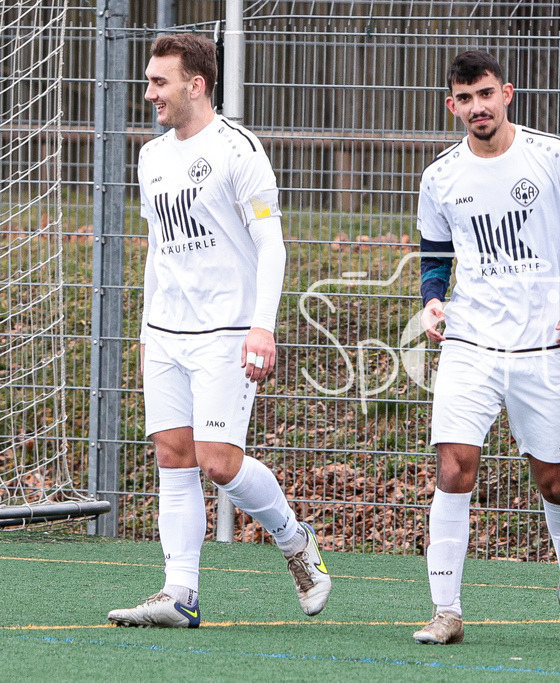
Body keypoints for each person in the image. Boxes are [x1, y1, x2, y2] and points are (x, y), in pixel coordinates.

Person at [107, 34, 331, 628]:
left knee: (219, 463)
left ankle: (294, 538)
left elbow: (270, 243)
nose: (149, 91)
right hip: (168, 331)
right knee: (172, 457)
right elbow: (159, 248)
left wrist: (263, 326)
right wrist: (148, 325)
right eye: (149, 80)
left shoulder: (238, 150)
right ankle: (179, 592)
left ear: (196, 85)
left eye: (160, 82)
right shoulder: (152, 156)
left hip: (227, 330)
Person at [412, 50, 560, 645]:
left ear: (508, 94)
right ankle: (446, 610)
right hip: (471, 344)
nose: (477, 107)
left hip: (542, 347)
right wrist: (432, 299)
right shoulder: (440, 176)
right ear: (452, 106)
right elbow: (435, 256)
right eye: (465, 98)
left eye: (486, 94)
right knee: (454, 468)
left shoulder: (551, 157)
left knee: (557, 483)